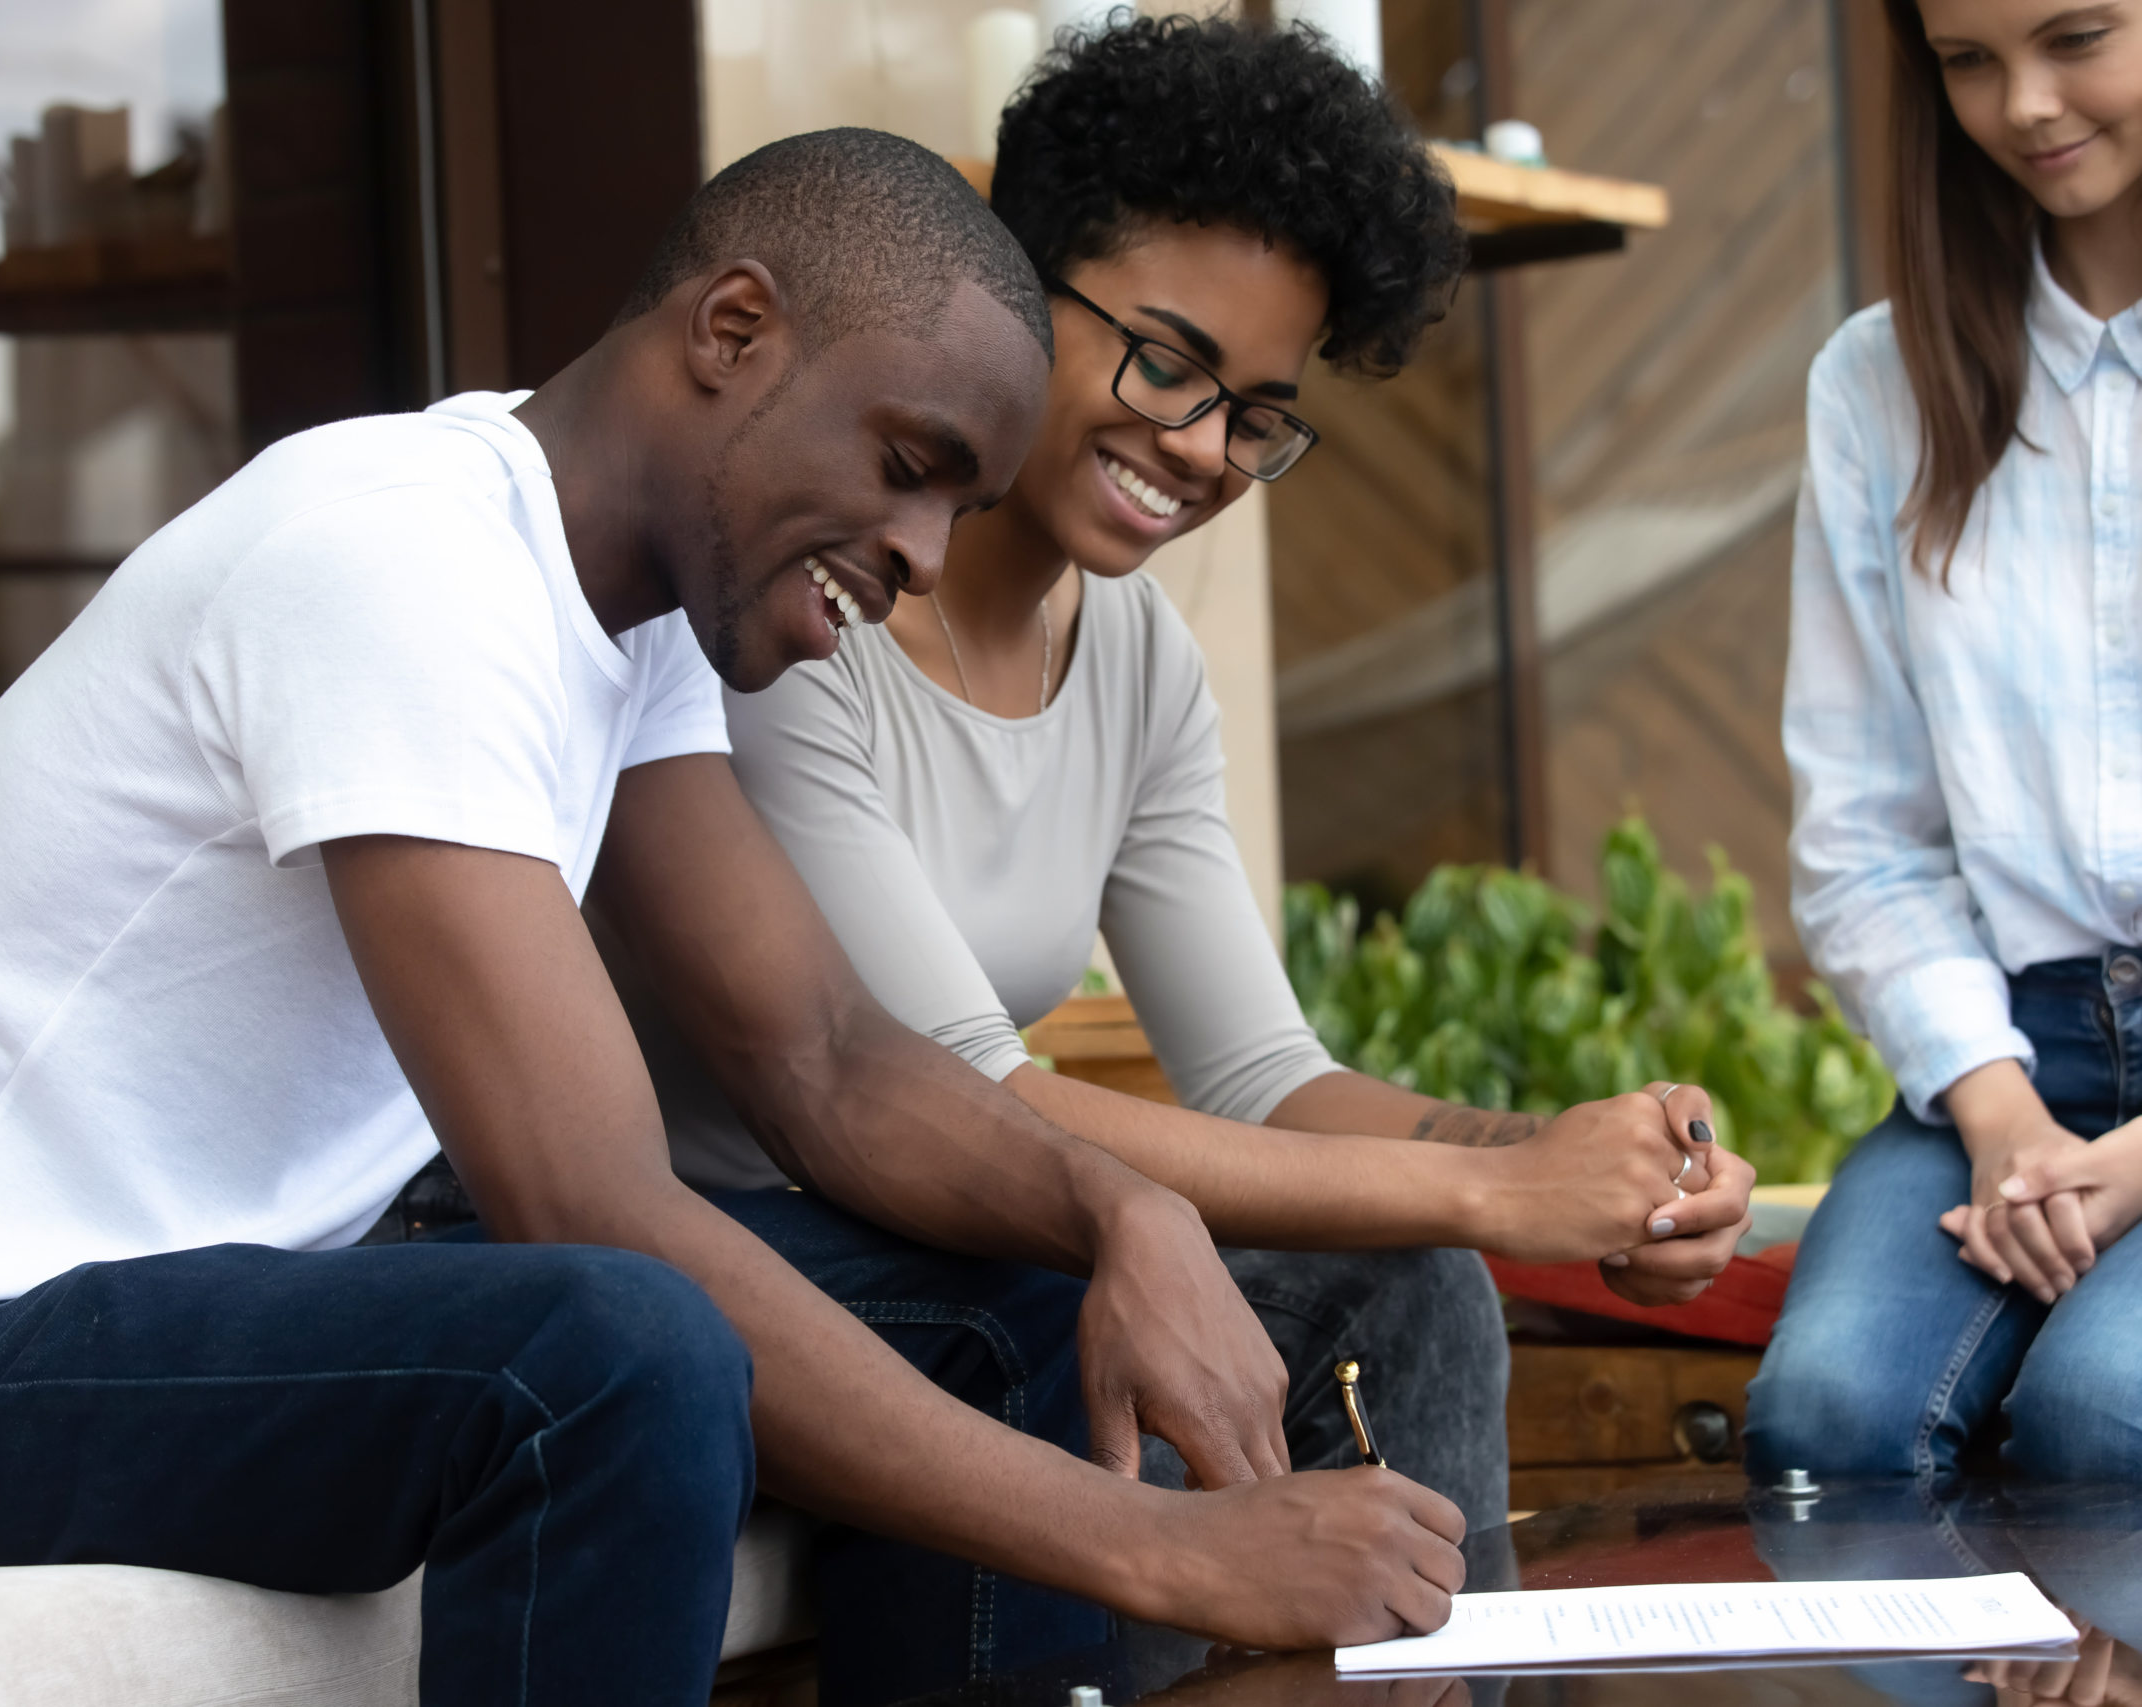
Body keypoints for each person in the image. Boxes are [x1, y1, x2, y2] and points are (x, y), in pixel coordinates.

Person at [0, 130, 1466, 1707]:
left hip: (195, 1306)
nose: (924, 552)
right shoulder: (403, 561)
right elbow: (589, 1209)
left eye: (959, 501)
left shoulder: (633, 625)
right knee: (609, 1351)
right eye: (910, 460)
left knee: (1000, 1302)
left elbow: (823, 1058)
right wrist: (1160, 1553)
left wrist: (1116, 1206)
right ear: (734, 330)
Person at [590, 14, 1755, 1537]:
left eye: (1259, 415)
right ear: (1014, 282)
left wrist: (1570, 1163)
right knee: (1094, 1318)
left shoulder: (1139, 662)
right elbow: (962, 1093)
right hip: (745, 1247)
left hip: (964, 1235)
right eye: (1164, 362)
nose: (1202, 447)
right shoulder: (810, 600)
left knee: (1410, 1289)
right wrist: (1490, 1195)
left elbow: (1268, 1079)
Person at [1745, 0, 2142, 1484]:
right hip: (2011, 1053)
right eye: (1967, 62)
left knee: (2109, 1419)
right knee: (1828, 1423)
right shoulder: (1876, 385)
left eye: (2076, 36)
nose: (2023, 105)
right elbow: (1865, 836)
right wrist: (2007, 1119)